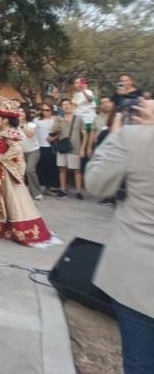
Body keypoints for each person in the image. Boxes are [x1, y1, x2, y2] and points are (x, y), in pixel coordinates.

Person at [86, 99, 154, 374]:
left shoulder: (136, 137)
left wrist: (116, 134)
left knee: (140, 363)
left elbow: (96, 183)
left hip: (140, 274)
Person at [0, 98, 59, 248]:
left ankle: (9, 224)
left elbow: (17, 152)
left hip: (4, 171)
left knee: (11, 200)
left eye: (0, 118)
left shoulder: (13, 133)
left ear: (6, 120)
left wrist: (1, 158)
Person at [50, 99, 87, 200]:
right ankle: (62, 190)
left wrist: (83, 149)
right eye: (63, 105)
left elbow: (84, 134)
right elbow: (53, 131)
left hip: (75, 148)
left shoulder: (78, 119)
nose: (66, 106)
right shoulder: (59, 118)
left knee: (77, 170)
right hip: (62, 148)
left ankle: (79, 191)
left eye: (68, 104)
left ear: (72, 106)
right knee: (62, 169)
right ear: (61, 107)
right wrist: (57, 121)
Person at [35, 103, 60, 195]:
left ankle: (48, 188)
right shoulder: (36, 120)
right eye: (43, 110)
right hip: (38, 146)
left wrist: (55, 137)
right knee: (40, 168)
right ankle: (38, 188)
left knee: (51, 168)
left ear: (51, 110)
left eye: (47, 110)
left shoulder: (56, 119)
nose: (45, 112)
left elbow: (62, 130)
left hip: (50, 147)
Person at [20, 107, 42, 200]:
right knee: (20, 172)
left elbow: (30, 135)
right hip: (20, 152)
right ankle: (22, 193)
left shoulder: (32, 124)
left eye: (22, 112)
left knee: (29, 170)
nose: (20, 113)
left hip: (33, 151)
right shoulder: (14, 125)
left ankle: (36, 193)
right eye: (18, 111)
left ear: (26, 114)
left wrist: (22, 127)